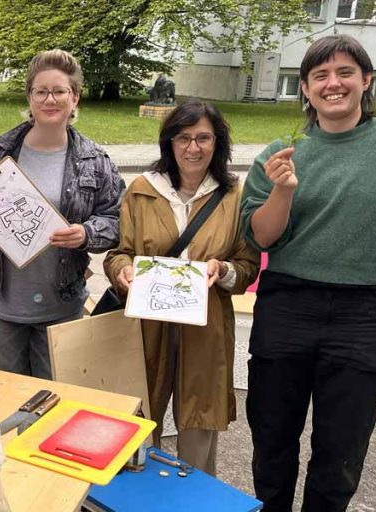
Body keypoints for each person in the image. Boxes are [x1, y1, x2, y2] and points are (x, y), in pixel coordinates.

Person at [241, 34, 376, 511]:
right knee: (272, 435)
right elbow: (261, 238)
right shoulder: (283, 152)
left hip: (368, 311)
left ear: (366, 81)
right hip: (288, 305)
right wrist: (282, 190)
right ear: (304, 88)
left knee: (341, 450)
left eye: (345, 73)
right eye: (320, 75)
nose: (333, 83)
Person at [103, 100, 260, 475]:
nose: (193, 148)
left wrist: (222, 270)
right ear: (169, 144)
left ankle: (193, 498)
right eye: (184, 138)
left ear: (217, 143)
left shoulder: (235, 196)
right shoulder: (143, 190)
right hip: (146, 325)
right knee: (139, 418)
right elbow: (118, 253)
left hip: (206, 327)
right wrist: (123, 271)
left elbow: (247, 267)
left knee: (199, 424)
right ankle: (140, 500)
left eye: (203, 138)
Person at [0, 49, 123, 379]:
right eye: (40, 91)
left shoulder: (96, 162)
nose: (50, 99)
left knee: (54, 404)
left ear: (75, 98)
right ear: (29, 97)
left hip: (63, 305)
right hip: (3, 303)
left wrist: (86, 233)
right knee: (8, 401)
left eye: (59, 91)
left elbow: (117, 220)